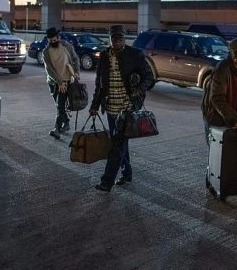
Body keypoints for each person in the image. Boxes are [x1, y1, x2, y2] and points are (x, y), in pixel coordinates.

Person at [89, 24, 154, 192]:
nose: (117, 42)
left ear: (125, 39)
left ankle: (107, 181)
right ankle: (127, 173)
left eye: (120, 38)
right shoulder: (103, 56)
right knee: (120, 143)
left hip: (127, 108)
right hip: (110, 108)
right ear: (110, 39)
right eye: (114, 39)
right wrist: (94, 105)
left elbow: (148, 77)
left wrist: (139, 89)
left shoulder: (135, 54)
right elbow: (99, 84)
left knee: (117, 145)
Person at [43, 27, 80, 140]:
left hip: (67, 82)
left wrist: (77, 72)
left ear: (58, 38)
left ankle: (57, 129)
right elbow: (49, 69)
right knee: (59, 106)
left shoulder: (67, 46)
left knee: (60, 106)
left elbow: (75, 58)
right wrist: (59, 82)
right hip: (54, 83)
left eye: (54, 40)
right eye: (50, 41)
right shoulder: (46, 52)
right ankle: (66, 123)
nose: (53, 43)